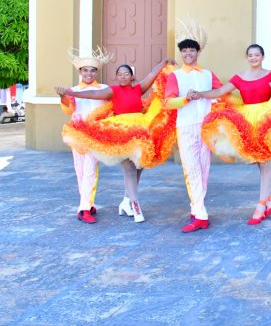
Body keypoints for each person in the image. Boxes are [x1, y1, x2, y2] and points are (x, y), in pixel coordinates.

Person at [195, 44, 271, 225]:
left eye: (257, 55)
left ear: (263, 56)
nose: (253, 58)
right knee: (260, 164)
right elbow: (220, 92)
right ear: (247, 57)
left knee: (266, 163)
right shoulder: (239, 77)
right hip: (247, 121)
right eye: (250, 55)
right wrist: (199, 94)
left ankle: (261, 206)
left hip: (267, 121)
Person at [58, 58, 173, 223]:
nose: (123, 76)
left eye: (126, 74)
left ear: (132, 77)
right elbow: (93, 95)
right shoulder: (111, 90)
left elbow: (152, 75)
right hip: (111, 132)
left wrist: (163, 63)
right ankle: (98, 206)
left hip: (139, 131)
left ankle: (126, 202)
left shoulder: (137, 88)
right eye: (120, 74)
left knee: (139, 167)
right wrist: (70, 93)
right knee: (112, 170)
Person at [165, 19, 222, 233]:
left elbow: (221, 94)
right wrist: (185, 99)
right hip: (186, 126)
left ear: (198, 52)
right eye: (185, 51)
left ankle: (197, 209)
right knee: (191, 169)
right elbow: (168, 102)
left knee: (204, 168)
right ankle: (200, 214)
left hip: (206, 126)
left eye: (192, 50)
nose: (188, 53)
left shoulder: (208, 74)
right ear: (181, 54)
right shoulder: (176, 76)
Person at [56, 48, 112, 224]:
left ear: (97, 71)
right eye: (85, 70)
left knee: (90, 170)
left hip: (95, 135)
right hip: (77, 134)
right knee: (80, 171)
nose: (89, 73)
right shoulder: (72, 90)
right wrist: (63, 97)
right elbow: (69, 109)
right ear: (79, 71)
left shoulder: (104, 89)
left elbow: (111, 109)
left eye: (92, 70)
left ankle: (84, 209)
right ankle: (88, 203)